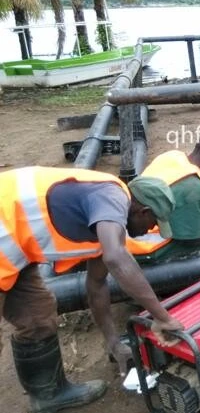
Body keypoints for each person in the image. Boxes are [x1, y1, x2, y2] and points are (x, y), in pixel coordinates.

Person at [0, 166, 184, 413]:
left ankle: (49, 395)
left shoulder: (105, 226)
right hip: (5, 227)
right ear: (143, 210)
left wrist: (113, 342)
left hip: (14, 248)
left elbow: (96, 286)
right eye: (153, 222)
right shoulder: (112, 198)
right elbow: (116, 259)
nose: (149, 230)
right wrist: (163, 318)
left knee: (37, 315)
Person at [126, 132, 200, 264]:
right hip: (143, 242)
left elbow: (178, 198)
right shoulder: (192, 186)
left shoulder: (173, 157)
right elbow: (191, 239)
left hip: (130, 225)